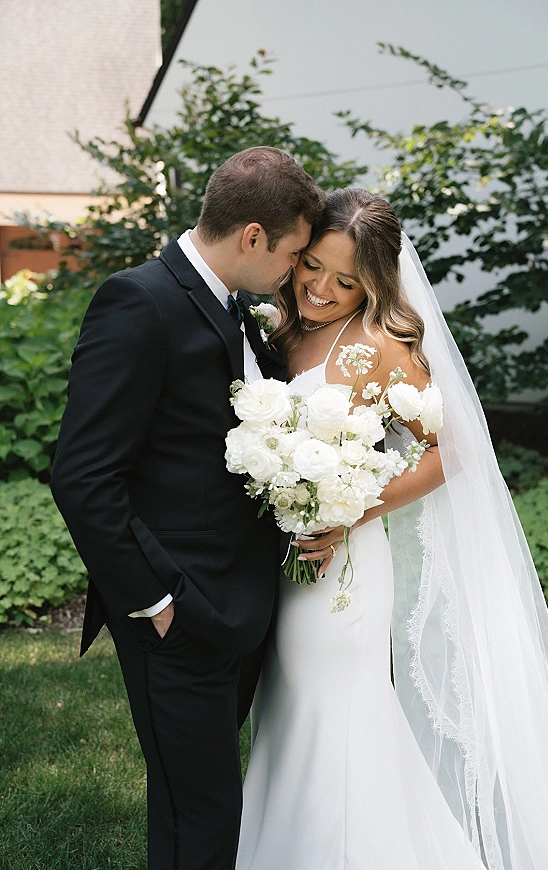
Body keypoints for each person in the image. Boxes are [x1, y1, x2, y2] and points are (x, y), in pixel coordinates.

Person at [235, 189, 548, 870]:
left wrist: (346, 512)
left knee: (335, 714)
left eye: (346, 281)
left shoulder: (383, 346)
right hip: (282, 558)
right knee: (288, 711)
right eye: (314, 267)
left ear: (374, 283)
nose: (322, 289)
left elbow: (451, 452)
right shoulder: (281, 327)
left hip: (345, 568)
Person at [50, 146, 323, 870]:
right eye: (295, 253)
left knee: (203, 809)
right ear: (253, 237)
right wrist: (155, 599)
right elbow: (82, 475)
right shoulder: (138, 301)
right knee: (201, 818)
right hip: (178, 613)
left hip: (237, 607)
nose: (296, 272)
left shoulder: (233, 306)